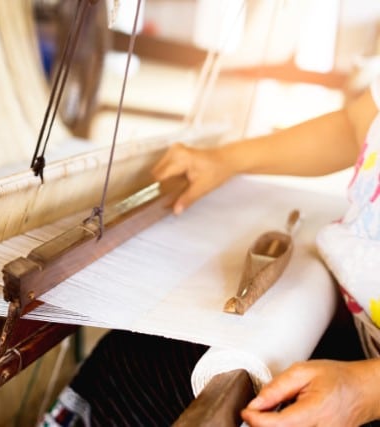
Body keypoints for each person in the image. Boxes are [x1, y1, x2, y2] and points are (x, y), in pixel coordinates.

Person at [42, 84, 380, 427]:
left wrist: (365, 392)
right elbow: (357, 125)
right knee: (138, 357)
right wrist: (225, 160)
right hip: (359, 327)